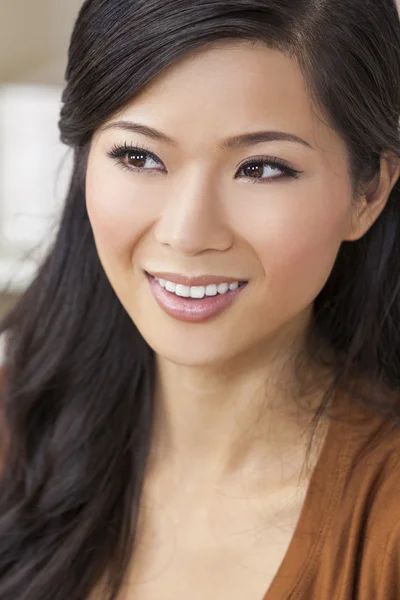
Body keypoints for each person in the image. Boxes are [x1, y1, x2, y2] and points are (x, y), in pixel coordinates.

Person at [0, 0, 399, 598]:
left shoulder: (383, 526)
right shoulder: (14, 426)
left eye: (262, 168)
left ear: (368, 194)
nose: (186, 233)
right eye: (139, 156)